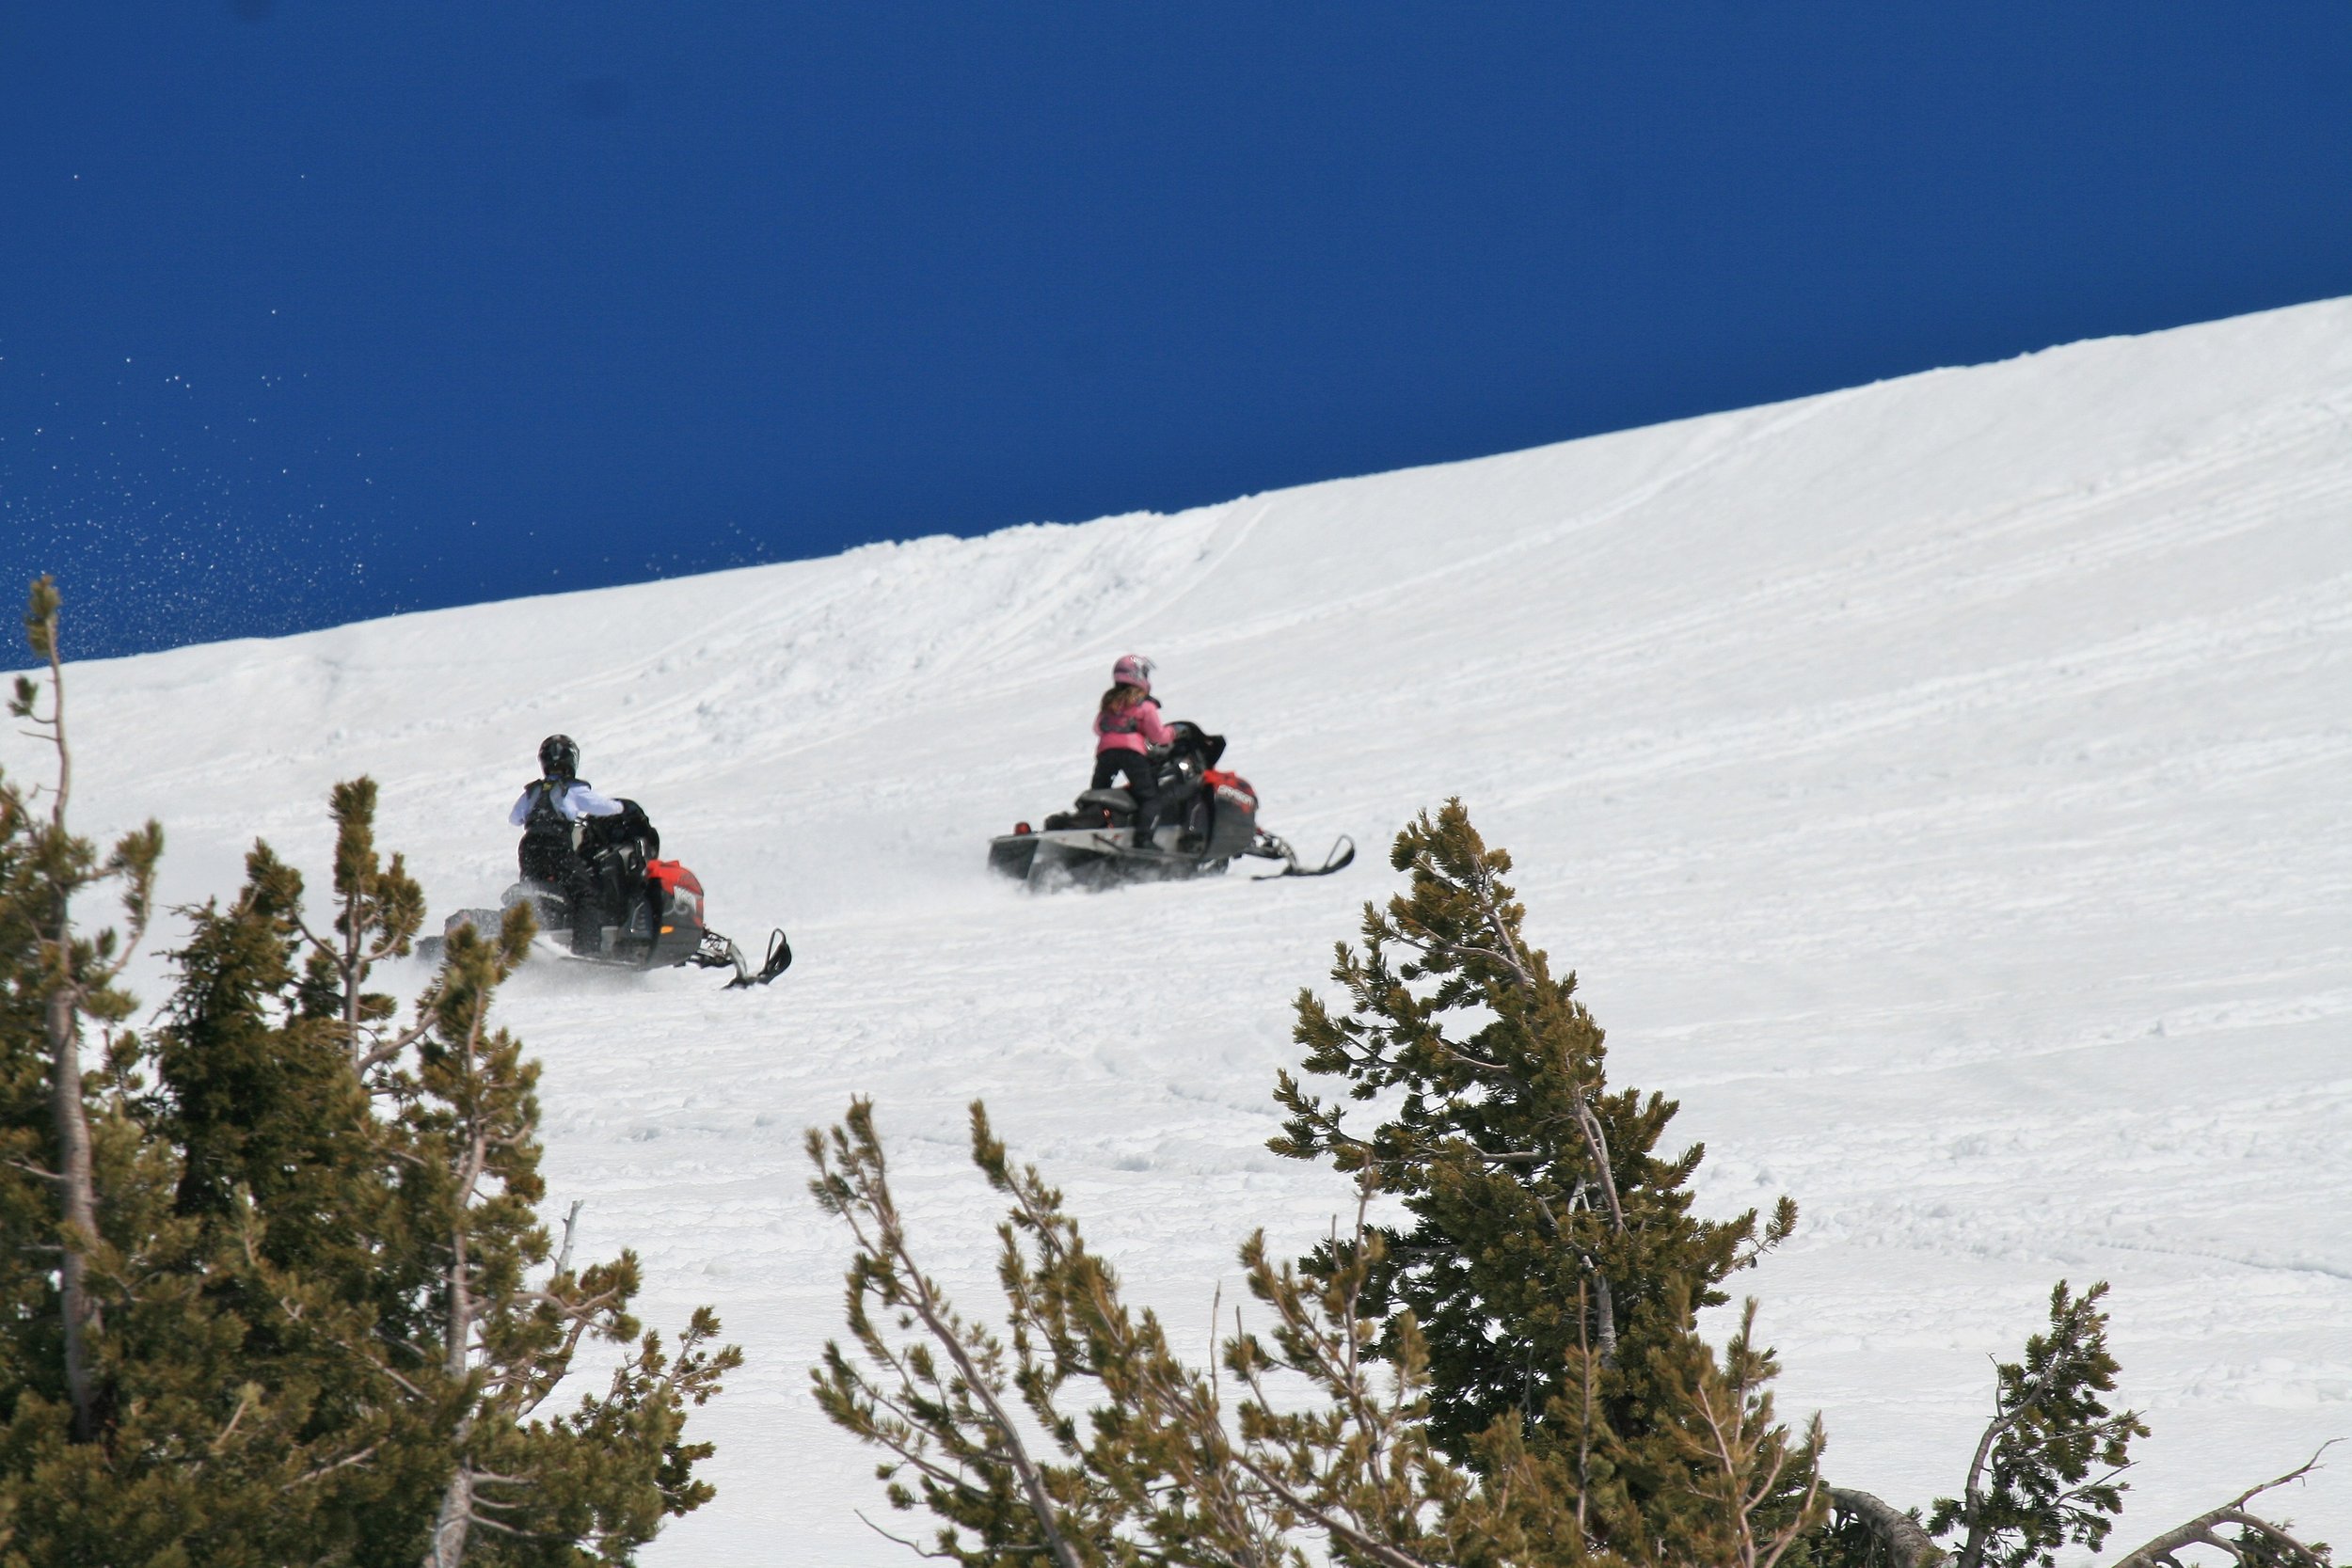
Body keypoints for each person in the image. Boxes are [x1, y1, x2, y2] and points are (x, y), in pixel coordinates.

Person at [510, 734, 628, 944]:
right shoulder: (573, 788)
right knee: (585, 895)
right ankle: (586, 949)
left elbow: (514, 818)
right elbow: (601, 807)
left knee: (534, 893)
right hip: (556, 845)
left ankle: (525, 939)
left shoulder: (532, 791)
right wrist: (622, 808)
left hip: (529, 847)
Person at [1091, 654, 1173, 845]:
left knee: (1097, 795)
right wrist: (1173, 733)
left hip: (1105, 753)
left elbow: (1098, 727)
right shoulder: (1144, 705)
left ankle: (1091, 826)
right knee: (1150, 797)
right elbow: (1157, 735)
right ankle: (1144, 839)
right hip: (1132, 754)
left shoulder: (1109, 702)